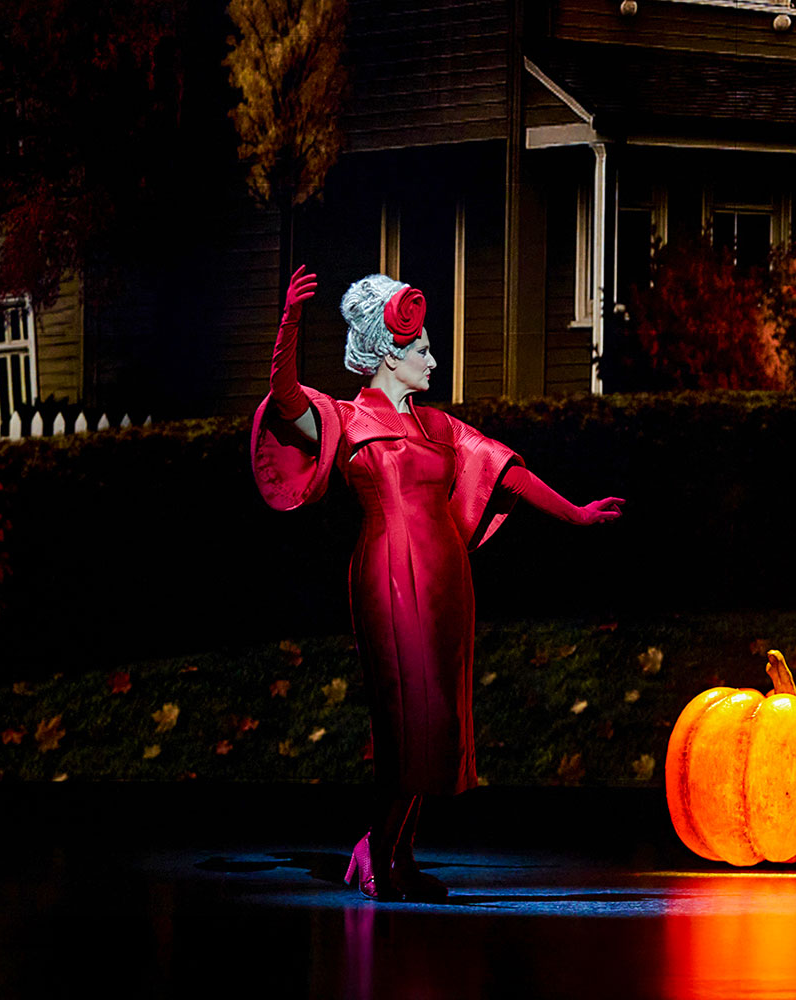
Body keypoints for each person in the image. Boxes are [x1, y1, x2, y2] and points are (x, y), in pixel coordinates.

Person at [250, 266, 624, 902]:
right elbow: (283, 395)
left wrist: (577, 514)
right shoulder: (342, 419)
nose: (431, 357)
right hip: (387, 572)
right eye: (420, 348)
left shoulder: (439, 426)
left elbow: (507, 472)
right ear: (388, 357)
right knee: (405, 717)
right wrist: (289, 319)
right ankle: (376, 848)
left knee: (439, 721)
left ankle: (396, 854)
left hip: (448, 574)